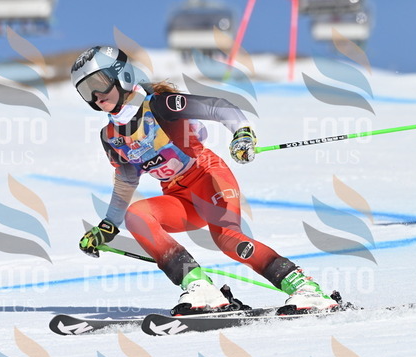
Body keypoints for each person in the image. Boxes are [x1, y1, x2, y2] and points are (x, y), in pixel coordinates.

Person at [71, 46, 338, 315]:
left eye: (99, 83)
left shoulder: (160, 105)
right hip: (179, 198)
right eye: (85, 91)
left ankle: (307, 290)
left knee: (228, 240)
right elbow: (126, 181)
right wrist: (108, 226)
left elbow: (218, 107)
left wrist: (242, 133)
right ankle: (200, 287)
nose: (96, 96)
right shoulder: (111, 137)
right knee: (138, 216)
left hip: (208, 177)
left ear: (122, 76)